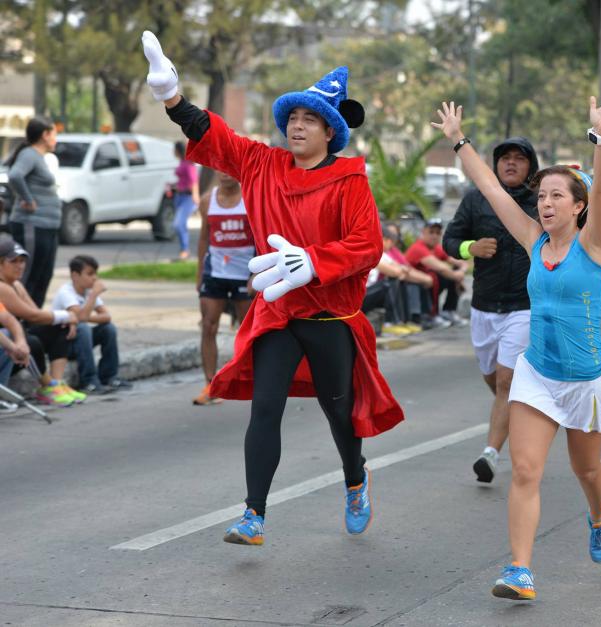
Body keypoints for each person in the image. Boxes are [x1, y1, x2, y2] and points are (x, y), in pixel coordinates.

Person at [142, 30, 403, 544]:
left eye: (310, 120)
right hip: (278, 313)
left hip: (330, 317)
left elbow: (367, 245)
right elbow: (217, 137)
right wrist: (171, 97)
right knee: (266, 407)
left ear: (331, 132)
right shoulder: (263, 164)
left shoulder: (350, 180)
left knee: (338, 411)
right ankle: (253, 514)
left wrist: (312, 262)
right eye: (293, 119)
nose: (297, 126)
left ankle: (355, 479)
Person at [433, 90, 601, 601]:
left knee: (587, 470)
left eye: (557, 197)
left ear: (578, 207)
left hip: (585, 381)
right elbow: (490, 188)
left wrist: (600, 135)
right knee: (524, 470)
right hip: (537, 373)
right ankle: (520, 569)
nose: (545, 203)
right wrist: (460, 142)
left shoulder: (592, 244)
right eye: (542, 197)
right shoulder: (532, 239)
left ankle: (599, 514)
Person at [442, 137, 539, 483]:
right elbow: (449, 241)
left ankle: (491, 454)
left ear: (531, 166)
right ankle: (521, 414)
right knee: (493, 378)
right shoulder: (475, 199)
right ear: (495, 165)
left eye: (519, 159)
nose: (511, 164)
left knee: (506, 379)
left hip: (524, 306)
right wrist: (472, 247)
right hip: (484, 305)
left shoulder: (540, 202)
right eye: (504, 159)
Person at [193, 172, 255, 406]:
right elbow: (203, 238)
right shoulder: (208, 200)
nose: (225, 173)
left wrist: (257, 273)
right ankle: (211, 384)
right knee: (208, 325)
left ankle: (249, 378)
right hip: (215, 273)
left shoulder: (250, 198)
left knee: (248, 329)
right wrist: (200, 273)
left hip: (244, 274)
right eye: (220, 167)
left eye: (230, 167)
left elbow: (262, 235)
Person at [0, 238, 81, 407]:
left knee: (59, 327)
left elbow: (36, 313)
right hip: (7, 351)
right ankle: (47, 387)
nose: (20, 266)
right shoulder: (2, 288)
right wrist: (67, 315)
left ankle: (56, 384)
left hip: (12, 344)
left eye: (22, 261)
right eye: (13, 261)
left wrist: (65, 319)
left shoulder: (16, 285)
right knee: (32, 342)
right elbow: (32, 316)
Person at [51, 255, 131, 395]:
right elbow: (81, 318)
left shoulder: (88, 291)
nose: (95, 278)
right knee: (83, 328)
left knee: (108, 329)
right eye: (90, 274)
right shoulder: (66, 292)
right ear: (75, 275)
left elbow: (106, 317)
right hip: (64, 345)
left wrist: (87, 315)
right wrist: (93, 296)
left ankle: (109, 376)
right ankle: (88, 381)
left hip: (82, 342)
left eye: (95, 273)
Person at [5, 116, 62, 308]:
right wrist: (28, 200)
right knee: (27, 275)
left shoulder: (40, 157)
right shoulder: (29, 154)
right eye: (54, 134)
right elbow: (14, 175)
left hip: (48, 226)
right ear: (45, 135)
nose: (56, 138)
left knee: (44, 275)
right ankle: (19, 321)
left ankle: (34, 322)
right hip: (32, 224)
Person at [405, 219, 468, 327]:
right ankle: (430, 315)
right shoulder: (418, 248)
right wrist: (457, 276)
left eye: (438, 233)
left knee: (451, 273)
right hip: (412, 287)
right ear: (423, 232)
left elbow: (462, 263)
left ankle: (448, 311)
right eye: (431, 232)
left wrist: (460, 272)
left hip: (426, 285)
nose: (434, 236)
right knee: (436, 275)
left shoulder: (436, 248)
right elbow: (441, 268)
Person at [173, 141, 199, 260]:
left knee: (178, 224)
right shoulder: (182, 162)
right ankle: (183, 249)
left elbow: (193, 181)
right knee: (180, 224)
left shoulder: (188, 164)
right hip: (179, 196)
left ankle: (185, 250)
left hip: (187, 197)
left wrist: (195, 197)